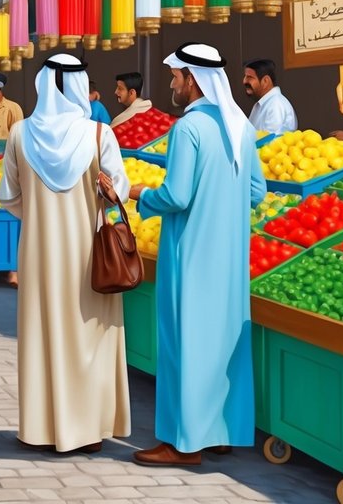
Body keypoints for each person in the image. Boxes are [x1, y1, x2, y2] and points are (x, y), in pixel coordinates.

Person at [128, 44, 266, 467]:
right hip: (229, 258)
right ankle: (219, 433)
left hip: (190, 254)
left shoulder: (187, 129)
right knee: (221, 345)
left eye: (175, 77)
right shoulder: (240, 126)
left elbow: (178, 194)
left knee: (183, 344)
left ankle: (182, 444)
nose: (172, 84)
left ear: (192, 79)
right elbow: (257, 192)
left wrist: (140, 195)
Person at [0, 54, 130, 454]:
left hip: (38, 254)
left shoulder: (20, 133)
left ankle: (43, 429)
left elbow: (9, 197)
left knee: (44, 334)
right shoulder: (98, 134)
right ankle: (86, 431)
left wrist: (41, 216)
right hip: (89, 253)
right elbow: (119, 189)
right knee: (88, 336)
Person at [242, 59, 296, 135]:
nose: (244, 81)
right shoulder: (261, 104)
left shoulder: (275, 105)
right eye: (245, 76)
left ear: (265, 81)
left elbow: (270, 142)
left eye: (250, 77)